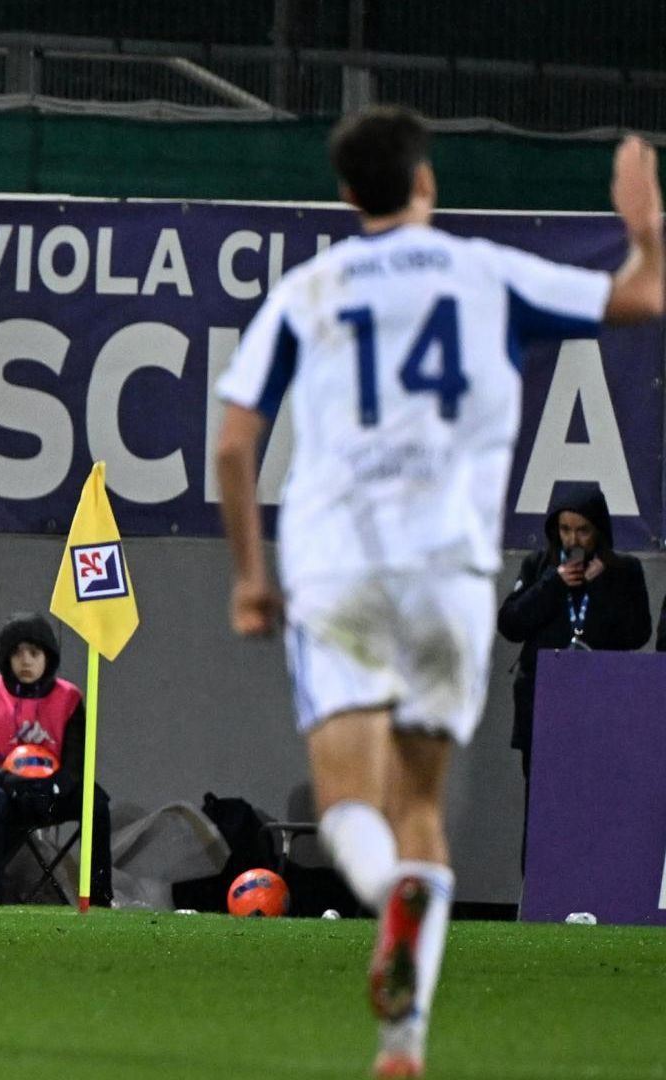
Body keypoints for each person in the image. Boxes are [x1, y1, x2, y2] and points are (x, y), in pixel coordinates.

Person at [215, 106, 663, 1078]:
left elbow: (233, 440)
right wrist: (644, 221)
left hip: (338, 568)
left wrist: (253, 576)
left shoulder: (310, 288)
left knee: (347, 801)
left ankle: (387, 896)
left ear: (345, 194)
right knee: (423, 805)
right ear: (426, 182)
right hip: (451, 573)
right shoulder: (483, 273)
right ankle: (403, 1045)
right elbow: (647, 294)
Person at [497, 481, 651, 865]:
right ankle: (534, 894)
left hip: (602, 708)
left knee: (600, 804)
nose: (573, 538)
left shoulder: (624, 571)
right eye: (565, 529)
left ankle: (592, 889)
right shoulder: (539, 567)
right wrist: (553, 583)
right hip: (543, 706)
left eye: (582, 529)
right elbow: (511, 622)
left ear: (598, 529)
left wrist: (603, 588)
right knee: (541, 804)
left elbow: (638, 634)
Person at [0, 613, 112, 907]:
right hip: (0, 787)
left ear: (48, 657)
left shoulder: (70, 698)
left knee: (96, 801)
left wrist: (56, 786)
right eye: (16, 653)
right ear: (5, 658)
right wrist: (7, 780)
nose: (25, 661)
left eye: (34, 652)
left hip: (52, 789)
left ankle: (100, 896)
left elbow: (77, 760)